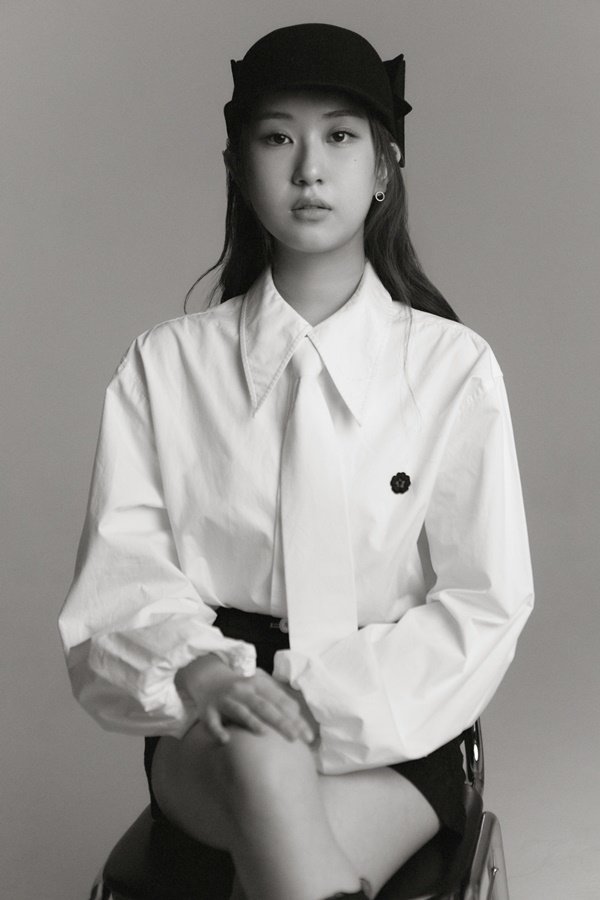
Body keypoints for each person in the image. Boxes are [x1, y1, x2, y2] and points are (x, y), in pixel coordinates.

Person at [59, 23, 534, 900]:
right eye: (278, 138)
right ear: (238, 168)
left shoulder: (453, 368)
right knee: (262, 757)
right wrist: (207, 673)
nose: (310, 169)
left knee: (276, 838)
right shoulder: (165, 367)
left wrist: (316, 699)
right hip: (212, 715)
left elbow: (484, 602)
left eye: (340, 137)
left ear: (384, 169)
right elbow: (121, 585)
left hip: (400, 718)